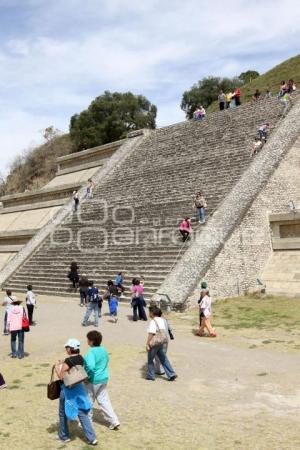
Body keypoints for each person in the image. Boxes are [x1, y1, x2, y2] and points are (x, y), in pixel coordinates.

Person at [54, 338, 98, 445]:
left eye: (67, 347)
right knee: (82, 412)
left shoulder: (68, 361)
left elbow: (61, 377)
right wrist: (63, 362)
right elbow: (73, 366)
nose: (66, 349)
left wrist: (56, 367)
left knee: (62, 413)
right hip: (79, 388)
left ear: (70, 348)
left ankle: (64, 436)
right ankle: (92, 438)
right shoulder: (80, 358)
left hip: (68, 390)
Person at [84, 330, 120, 430]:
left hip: (93, 380)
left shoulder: (91, 352)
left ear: (91, 341)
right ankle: (114, 421)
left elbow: (90, 367)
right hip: (104, 378)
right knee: (104, 400)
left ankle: (87, 422)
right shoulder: (103, 349)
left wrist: (88, 377)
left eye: (88, 339)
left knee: (88, 400)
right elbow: (107, 359)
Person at [146, 306, 177, 381]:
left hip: (155, 342)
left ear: (152, 313)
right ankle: (171, 374)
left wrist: (147, 343)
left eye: (149, 312)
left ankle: (151, 375)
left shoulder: (153, 321)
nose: (149, 314)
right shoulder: (162, 320)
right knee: (163, 359)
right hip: (162, 341)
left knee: (150, 359)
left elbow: (151, 333)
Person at [154, 308, 174, 375]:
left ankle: (161, 370)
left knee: (157, 355)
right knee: (163, 354)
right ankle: (161, 370)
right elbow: (169, 328)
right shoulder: (164, 319)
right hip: (166, 339)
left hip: (159, 339)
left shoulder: (155, 321)